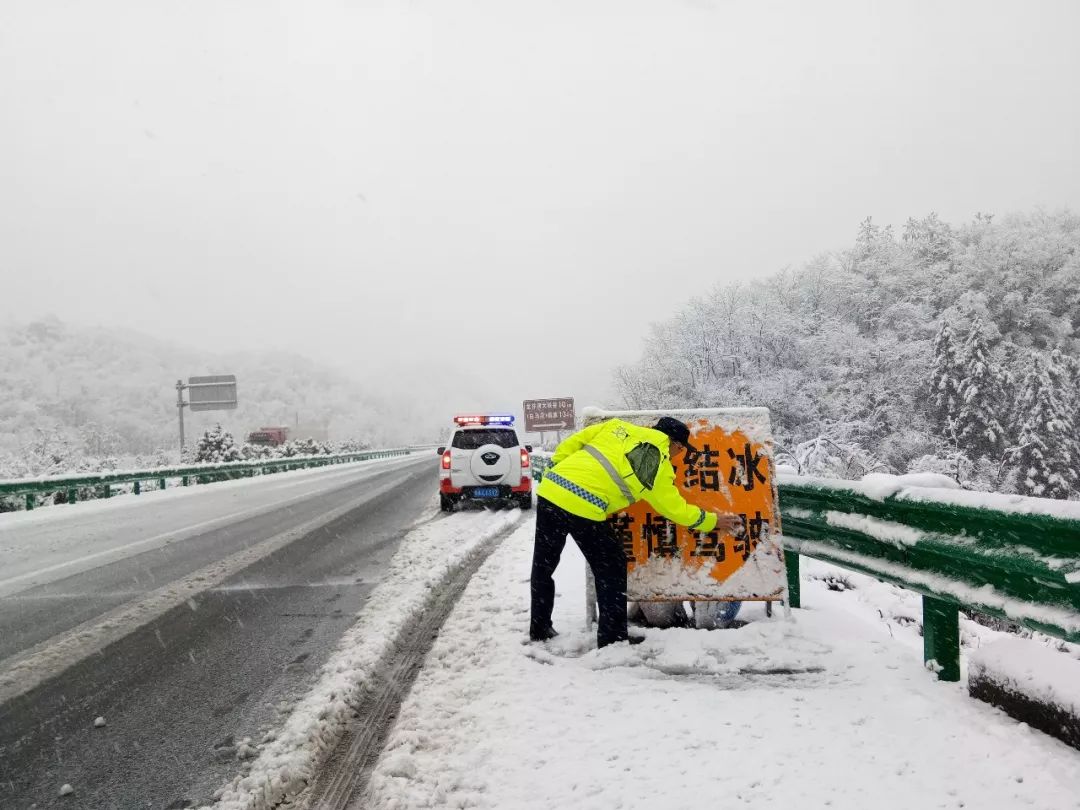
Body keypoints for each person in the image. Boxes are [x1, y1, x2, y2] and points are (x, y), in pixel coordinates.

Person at [530, 416, 742, 648]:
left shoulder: (617, 426)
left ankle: (539, 628)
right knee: (612, 567)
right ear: (674, 443)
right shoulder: (656, 460)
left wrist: (559, 470)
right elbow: (676, 510)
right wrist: (712, 521)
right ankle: (613, 639)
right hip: (584, 504)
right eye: (680, 450)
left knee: (543, 565)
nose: (677, 456)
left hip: (550, 491)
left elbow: (570, 444)